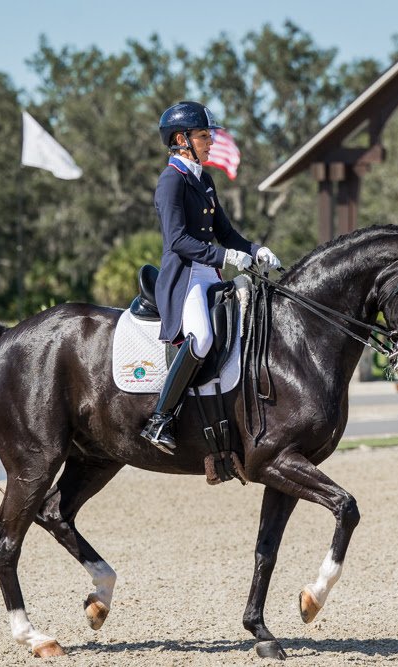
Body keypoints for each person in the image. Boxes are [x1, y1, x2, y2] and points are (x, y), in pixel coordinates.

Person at [140, 101, 282, 454]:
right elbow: (177, 241)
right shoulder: (171, 180)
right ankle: (160, 419)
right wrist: (224, 256)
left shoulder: (203, 178)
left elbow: (226, 233)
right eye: (203, 136)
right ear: (180, 139)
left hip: (210, 272)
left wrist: (254, 250)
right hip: (185, 277)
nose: (210, 142)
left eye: (208, 135)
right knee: (201, 337)